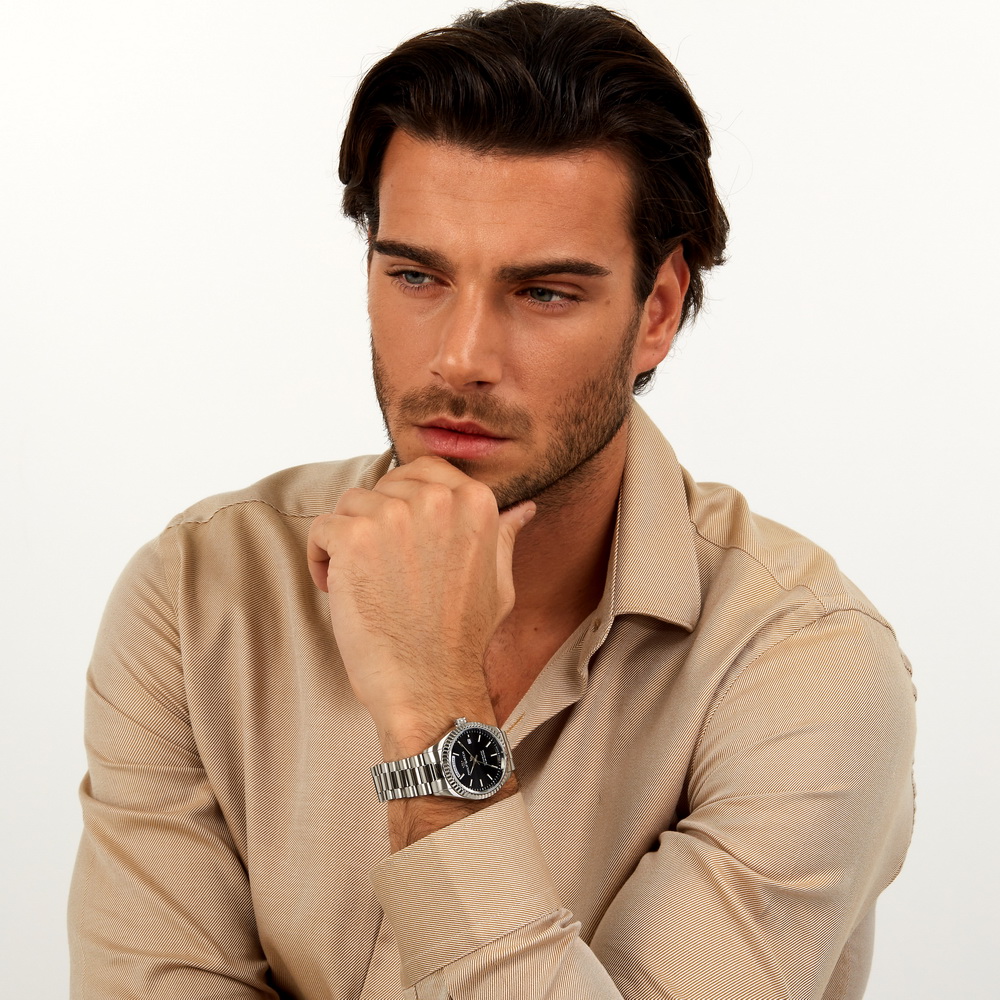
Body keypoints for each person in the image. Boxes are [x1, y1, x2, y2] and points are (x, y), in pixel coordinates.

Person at [68, 3, 916, 998]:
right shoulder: (199, 594)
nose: (460, 358)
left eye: (544, 292)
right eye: (416, 275)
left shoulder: (806, 664)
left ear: (656, 310)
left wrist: (431, 707)